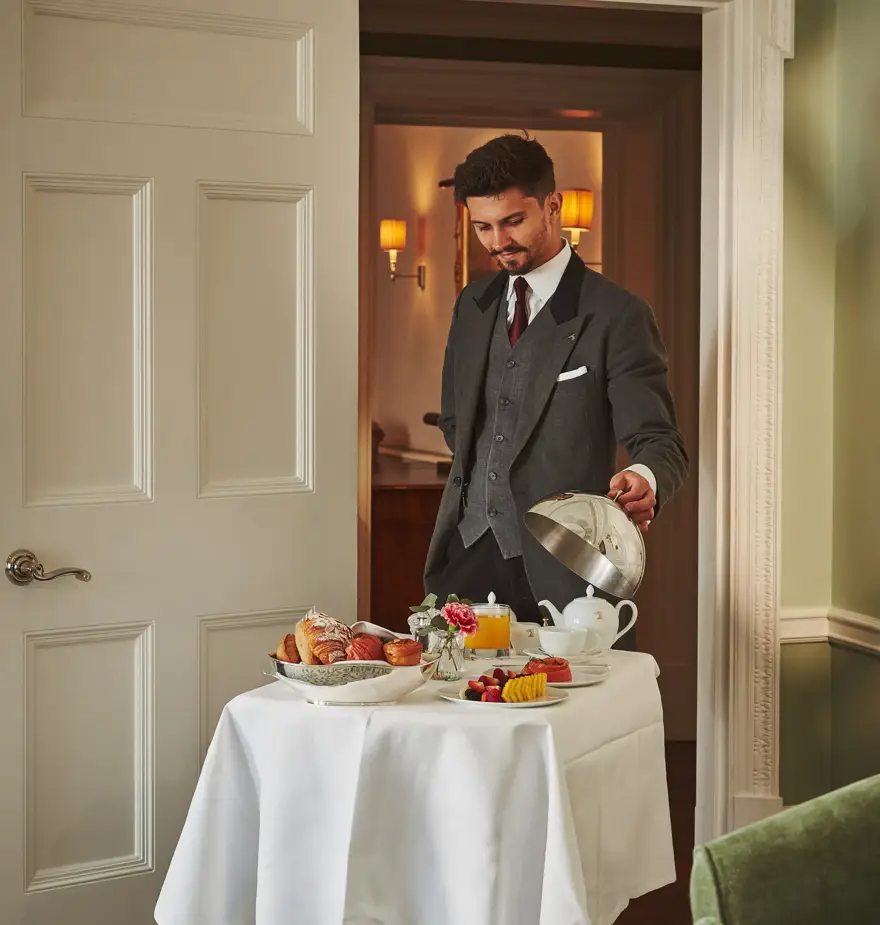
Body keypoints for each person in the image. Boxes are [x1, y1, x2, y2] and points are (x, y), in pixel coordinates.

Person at [423, 133, 688, 648]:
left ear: (553, 205)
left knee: (570, 721)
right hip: (468, 557)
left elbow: (660, 440)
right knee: (465, 714)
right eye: (482, 227)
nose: (498, 241)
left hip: (567, 568)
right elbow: (457, 422)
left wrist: (643, 476)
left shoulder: (616, 314)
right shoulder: (472, 306)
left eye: (512, 221)